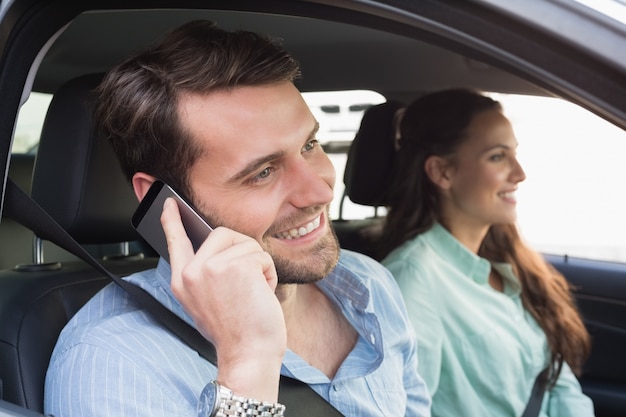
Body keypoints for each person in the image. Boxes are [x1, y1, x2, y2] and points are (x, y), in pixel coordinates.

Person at [43, 20, 431, 417]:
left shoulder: (368, 286)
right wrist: (248, 365)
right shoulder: (112, 361)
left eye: (309, 145)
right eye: (262, 172)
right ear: (164, 202)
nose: (320, 191)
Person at [377, 88, 593, 416]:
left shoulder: (506, 261)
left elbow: (555, 382)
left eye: (514, 153)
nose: (520, 174)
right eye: (497, 156)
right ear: (442, 172)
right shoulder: (412, 281)